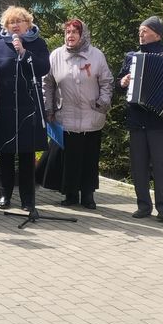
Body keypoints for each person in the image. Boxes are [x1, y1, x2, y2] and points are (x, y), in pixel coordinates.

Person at [42, 19, 114, 209]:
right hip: (66, 116)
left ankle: (88, 195)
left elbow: (107, 81)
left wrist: (103, 102)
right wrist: (49, 108)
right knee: (70, 158)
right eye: (67, 32)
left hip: (92, 115)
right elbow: (47, 84)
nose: (70, 36)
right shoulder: (56, 55)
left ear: (83, 35)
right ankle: (70, 194)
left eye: (75, 32)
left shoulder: (96, 55)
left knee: (89, 158)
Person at [117, 16, 163, 222]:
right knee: (139, 167)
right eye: (139, 31)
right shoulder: (131, 57)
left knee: (161, 167)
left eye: (145, 30)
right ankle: (143, 206)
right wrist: (123, 82)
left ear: (157, 34)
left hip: (161, 123)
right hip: (137, 121)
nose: (141, 34)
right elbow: (119, 85)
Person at [0, 6, 50, 211]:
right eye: (11, 22)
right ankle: (4, 195)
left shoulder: (38, 44)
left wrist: (24, 52)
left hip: (28, 109)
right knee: (5, 155)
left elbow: (44, 68)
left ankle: (27, 200)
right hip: (4, 109)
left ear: (28, 23)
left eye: (19, 21)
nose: (15, 25)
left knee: (26, 156)